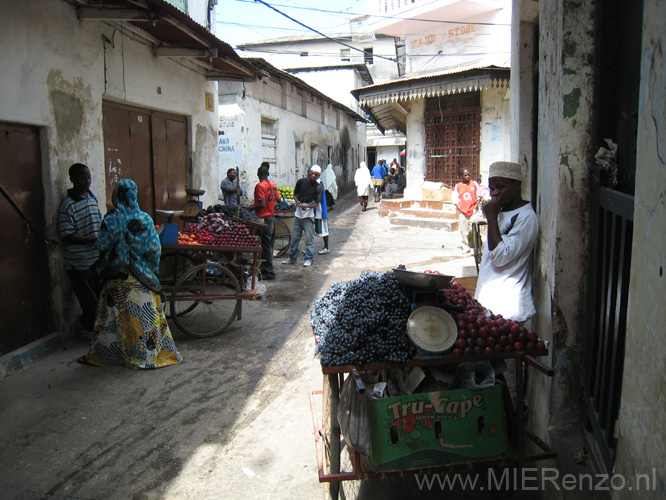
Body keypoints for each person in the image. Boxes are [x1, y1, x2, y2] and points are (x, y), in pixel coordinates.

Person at [78, 179, 182, 369]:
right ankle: (145, 356)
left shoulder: (111, 220)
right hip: (141, 280)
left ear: (116, 196)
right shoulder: (144, 219)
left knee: (111, 320)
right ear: (134, 196)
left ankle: (110, 356)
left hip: (116, 281)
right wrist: (150, 269)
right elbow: (154, 248)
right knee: (145, 319)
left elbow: (101, 245)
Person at [474, 161, 539, 323]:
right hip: (490, 301)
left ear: (517, 186)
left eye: (500, 187)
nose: (495, 193)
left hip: (508, 306)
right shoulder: (502, 212)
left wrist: (491, 218)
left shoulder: (526, 218)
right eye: (492, 188)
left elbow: (500, 257)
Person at [58, 163, 103, 337]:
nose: (87, 181)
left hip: (94, 258)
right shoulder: (67, 206)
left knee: (99, 297)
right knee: (89, 301)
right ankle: (88, 328)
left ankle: (94, 328)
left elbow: (97, 222)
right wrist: (91, 239)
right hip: (78, 263)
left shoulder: (91, 199)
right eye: (82, 178)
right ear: (73, 180)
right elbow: (67, 235)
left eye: (89, 177)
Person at [282, 165, 323, 267]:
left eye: (316, 175)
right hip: (298, 215)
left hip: (308, 217)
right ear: (308, 172)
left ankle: (309, 258)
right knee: (295, 238)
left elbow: (317, 203)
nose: (313, 176)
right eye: (312, 173)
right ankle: (292, 258)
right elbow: (295, 195)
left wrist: (307, 206)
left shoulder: (318, 187)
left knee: (309, 239)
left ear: (318, 176)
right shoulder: (301, 182)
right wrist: (298, 202)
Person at [247, 164, 280, 280]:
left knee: (266, 246)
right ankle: (265, 268)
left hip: (264, 219)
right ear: (268, 174)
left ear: (258, 174)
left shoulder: (260, 186)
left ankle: (269, 272)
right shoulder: (273, 185)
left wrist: (250, 208)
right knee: (269, 245)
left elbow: (261, 204)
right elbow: (279, 199)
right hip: (272, 218)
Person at [452, 168, 481, 253]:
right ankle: (466, 247)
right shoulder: (458, 186)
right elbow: (455, 199)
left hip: (473, 210)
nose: (468, 176)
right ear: (461, 176)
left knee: (473, 230)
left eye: (469, 175)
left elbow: (478, 196)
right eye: (466, 175)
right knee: (464, 230)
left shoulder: (474, 184)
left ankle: (473, 247)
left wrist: (475, 206)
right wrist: (459, 208)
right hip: (463, 211)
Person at [315, 177, 330, 255]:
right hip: (314, 209)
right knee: (311, 229)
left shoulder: (319, 182)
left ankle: (326, 247)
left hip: (320, 210)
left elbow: (318, 197)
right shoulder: (314, 182)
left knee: (324, 229)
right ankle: (309, 248)